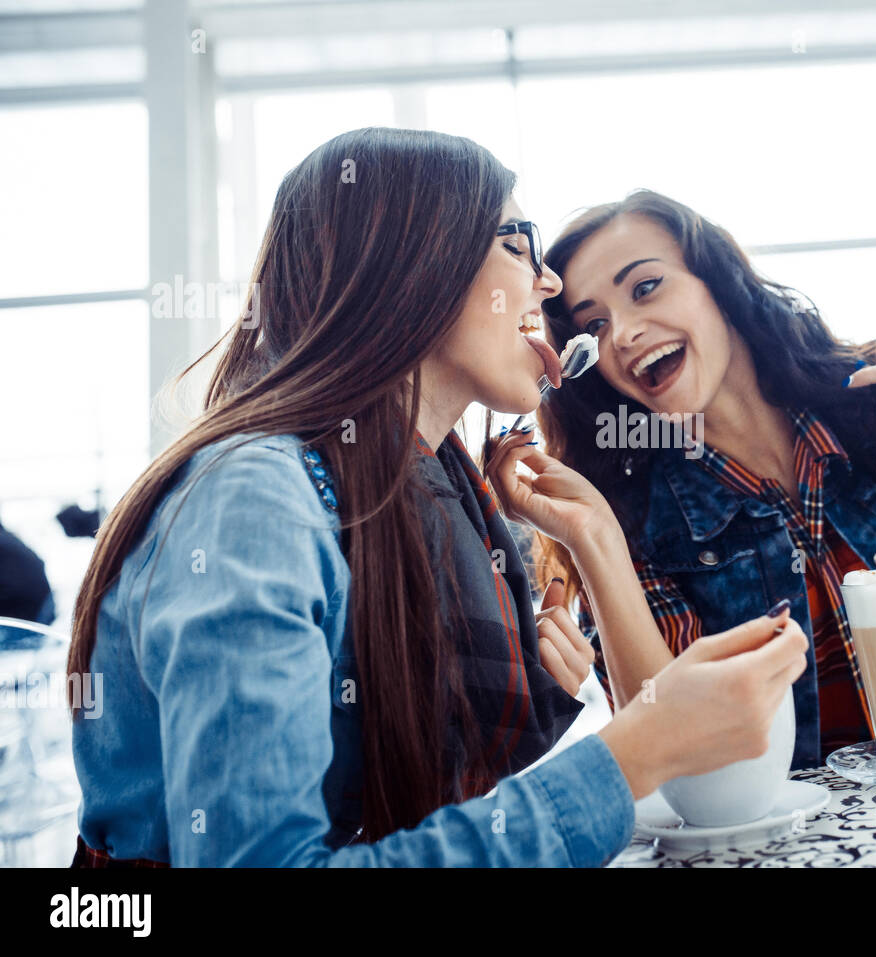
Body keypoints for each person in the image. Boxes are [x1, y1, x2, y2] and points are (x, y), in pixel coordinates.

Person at [66, 129, 808, 867]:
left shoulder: (447, 495)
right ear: (413, 263)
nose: (547, 285)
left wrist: (539, 701)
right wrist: (632, 754)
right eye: (519, 245)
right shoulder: (252, 503)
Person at [532, 190, 876, 768]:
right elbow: (668, 743)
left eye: (645, 288)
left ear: (717, 283)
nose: (619, 334)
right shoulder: (627, 510)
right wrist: (594, 542)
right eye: (593, 324)